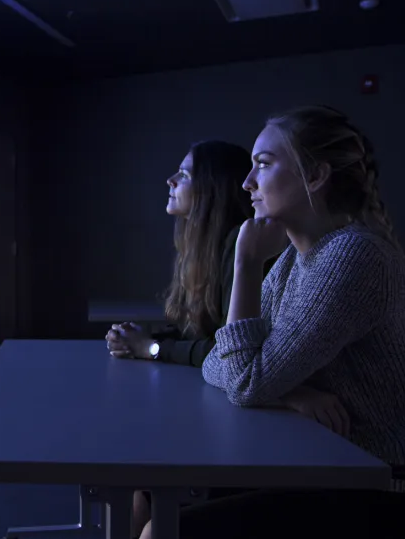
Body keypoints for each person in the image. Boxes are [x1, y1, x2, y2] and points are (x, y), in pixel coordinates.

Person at [142, 106, 405, 539]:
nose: (247, 183)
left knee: (163, 529)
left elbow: (245, 381)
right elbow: (221, 363)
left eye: (263, 165)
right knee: (152, 493)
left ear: (316, 176)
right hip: (311, 458)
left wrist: (246, 262)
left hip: (370, 478)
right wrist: (290, 393)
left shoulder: (353, 257)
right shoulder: (292, 260)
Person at [106, 140, 281, 538]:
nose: (170, 181)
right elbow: (202, 334)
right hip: (227, 413)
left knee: (146, 498)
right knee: (135, 490)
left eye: (183, 174)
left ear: (211, 190)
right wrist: (149, 338)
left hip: (252, 434)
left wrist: (152, 349)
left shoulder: (244, 247)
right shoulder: (204, 246)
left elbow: (227, 350)